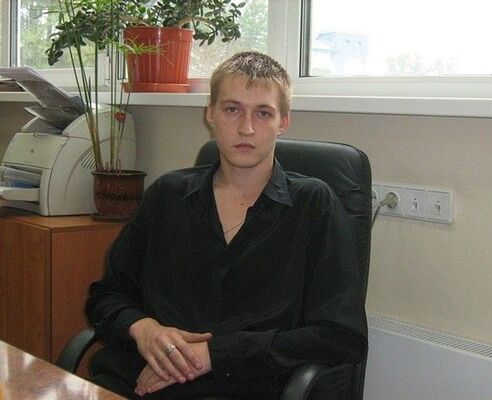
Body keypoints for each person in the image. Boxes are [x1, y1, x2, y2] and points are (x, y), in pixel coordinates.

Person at [86, 51, 368, 400]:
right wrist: (142, 328)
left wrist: (214, 356)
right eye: (232, 109)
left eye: (263, 113)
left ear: (283, 122)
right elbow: (105, 296)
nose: (246, 128)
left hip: (243, 387)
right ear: (210, 114)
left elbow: (341, 337)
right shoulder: (167, 195)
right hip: (137, 380)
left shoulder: (313, 205)